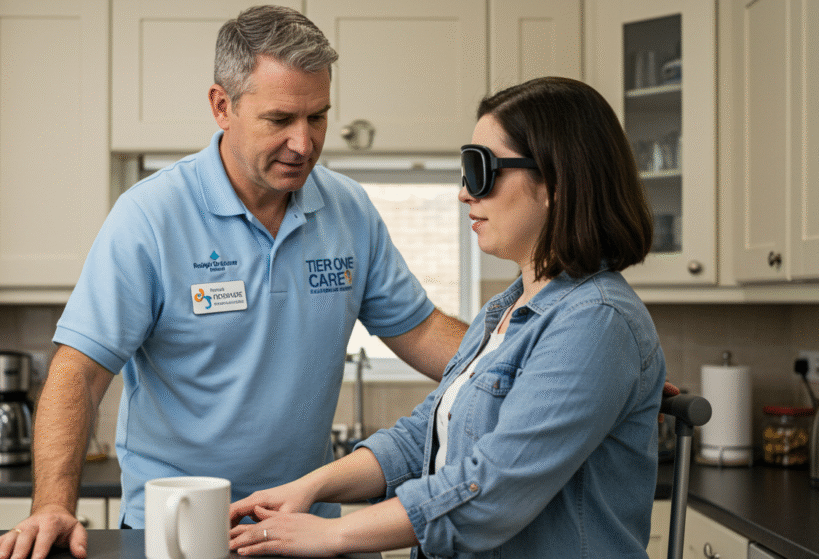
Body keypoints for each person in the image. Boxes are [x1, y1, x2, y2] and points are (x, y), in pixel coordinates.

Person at [0, 6, 468, 559]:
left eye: (317, 118)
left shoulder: (347, 210)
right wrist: (52, 504)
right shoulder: (152, 215)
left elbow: (424, 333)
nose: (303, 143)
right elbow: (79, 373)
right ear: (222, 106)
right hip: (179, 528)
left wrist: (518, 360)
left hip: (301, 529)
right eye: (280, 119)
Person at [228, 76, 670, 559]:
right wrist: (310, 488)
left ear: (556, 183)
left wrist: (330, 534)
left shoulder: (597, 322)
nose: (464, 193)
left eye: (480, 170)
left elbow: (491, 493)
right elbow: (423, 438)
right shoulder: (507, 310)